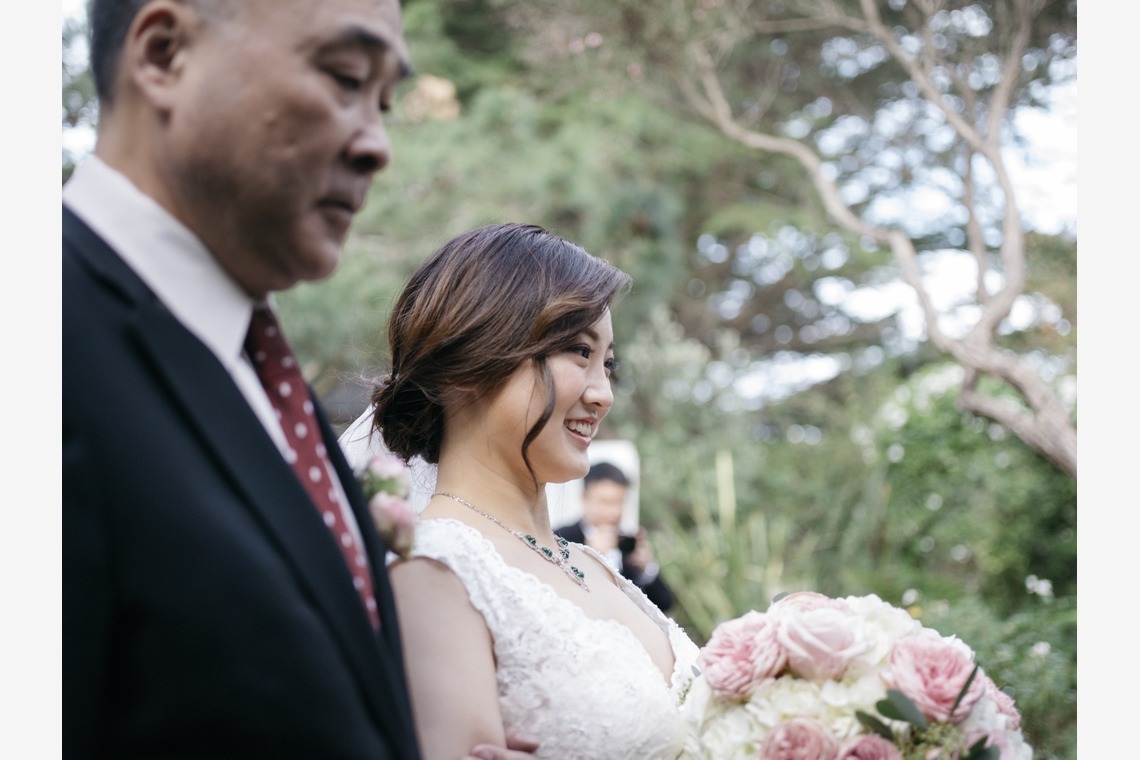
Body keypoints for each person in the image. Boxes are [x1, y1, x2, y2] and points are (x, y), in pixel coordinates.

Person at [63, 1, 535, 758]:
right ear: (163, 55)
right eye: (344, 78)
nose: (378, 145)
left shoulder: (265, 383)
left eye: (384, 102)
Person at [347, 222, 700, 760]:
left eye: (607, 363)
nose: (603, 394)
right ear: (469, 362)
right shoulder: (434, 570)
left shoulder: (591, 563)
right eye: (579, 351)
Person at [555, 462, 676, 613]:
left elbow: (665, 604)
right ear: (585, 499)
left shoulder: (628, 542)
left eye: (619, 501)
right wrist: (589, 557)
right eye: (605, 502)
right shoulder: (561, 538)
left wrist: (646, 569)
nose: (614, 511)